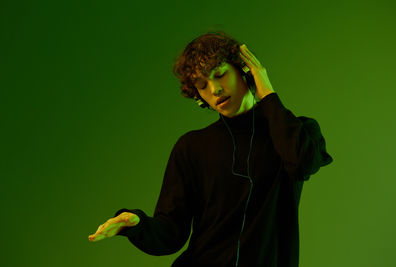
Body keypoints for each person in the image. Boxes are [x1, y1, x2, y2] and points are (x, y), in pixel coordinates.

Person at [88, 31, 333, 267]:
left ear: (243, 69)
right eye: (202, 85)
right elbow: (171, 232)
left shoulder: (297, 131)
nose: (214, 90)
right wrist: (135, 223)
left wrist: (266, 92)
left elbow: (303, 162)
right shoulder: (191, 147)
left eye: (219, 74)